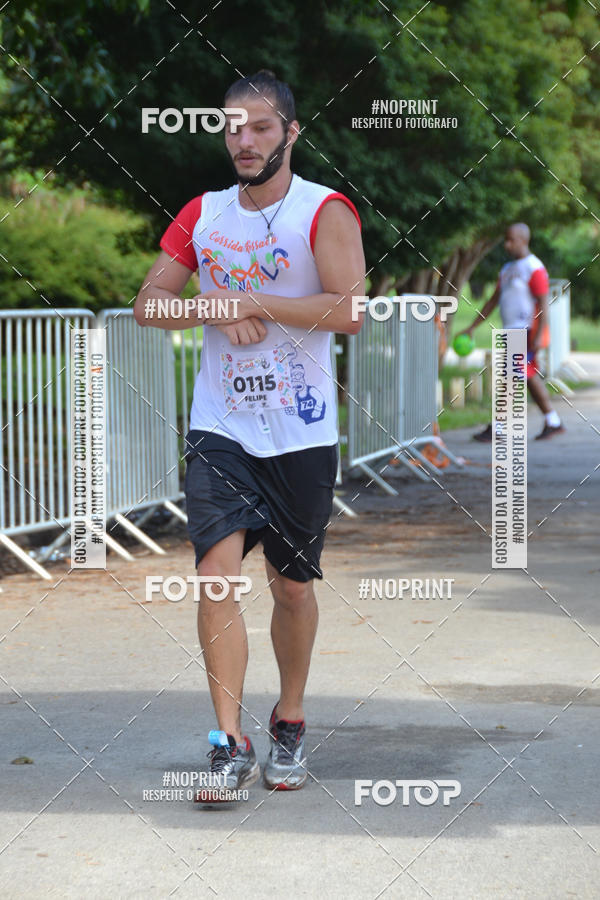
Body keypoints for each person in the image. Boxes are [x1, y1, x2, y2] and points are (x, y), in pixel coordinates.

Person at [134, 70, 365, 800]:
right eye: (233, 127)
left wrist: (253, 296)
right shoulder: (203, 214)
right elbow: (148, 305)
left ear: (291, 133)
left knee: (291, 590)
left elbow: (349, 310)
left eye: (261, 127)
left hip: (299, 433)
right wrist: (210, 304)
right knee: (214, 578)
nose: (244, 139)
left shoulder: (323, 210)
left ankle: (288, 720)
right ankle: (226, 745)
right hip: (221, 427)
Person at [461, 223, 564, 441]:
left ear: (523, 240)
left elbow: (544, 303)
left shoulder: (534, 267)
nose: (507, 245)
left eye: (511, 240)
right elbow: (493, 301)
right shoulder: (507, 270)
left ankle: (499, 427)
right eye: (505, 240)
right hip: (511, 331)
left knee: (510, 378)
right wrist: (472, 327)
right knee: (526, 376)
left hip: (526, 331)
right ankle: (553, 421)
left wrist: (538, 335)